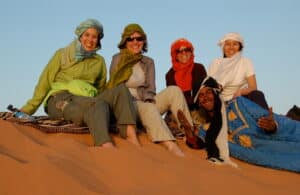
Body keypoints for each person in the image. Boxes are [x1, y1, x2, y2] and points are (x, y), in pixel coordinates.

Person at [20, 19, 140, 148]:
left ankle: (131, 137)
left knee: (120, 89)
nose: (90, 40)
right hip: (61, 98)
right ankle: (106, 146)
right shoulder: (62, 54)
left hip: (88, 99)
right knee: (97, 105)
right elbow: (45, 81)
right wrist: (29, 109)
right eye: (86, 35)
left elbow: (100, 89)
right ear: (80, 36)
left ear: (98, 40)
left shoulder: (99, 61)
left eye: (94, 36)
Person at [107, 23, 194, 157]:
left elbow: (150, 87)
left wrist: (148, 100)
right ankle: (171, 145)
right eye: (131, 39)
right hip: (126, 105)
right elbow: (115, 84)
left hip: (145, 101)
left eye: (139, 38)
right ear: (125, 41)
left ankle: (189, 133)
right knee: (147, 108)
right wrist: (145, 104)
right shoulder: (117, 59)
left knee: (174, 90)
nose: (135, 42)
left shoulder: (148, 62)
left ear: (143, 41)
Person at [195, 77, 300, 172]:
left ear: (217, 93)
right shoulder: (206, 130)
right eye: (201, 95)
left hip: (282, 141)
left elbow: (270, 118)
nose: (205, 97)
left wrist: (272, 126)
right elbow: (199, 144)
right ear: (199, 102)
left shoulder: (239, 104)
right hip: (268, 159)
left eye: (209, 92)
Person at [207, 32, 269, 110]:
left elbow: (253, 87)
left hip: (239, 98)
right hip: (219, 101)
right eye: (228, 44)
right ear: (223, 47)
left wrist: (240, 92)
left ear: (240, 47)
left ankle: (267, 119)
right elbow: (208, 87)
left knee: (257, 94)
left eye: (235, 44)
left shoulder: (246, 62)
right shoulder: (215, 63)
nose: (231, 47)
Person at [165, 38, 207, 137]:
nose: (183, 53)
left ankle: (190, 130)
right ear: (174, 55)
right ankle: (186, 130)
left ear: (191, 52)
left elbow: (202, 92)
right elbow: (172, 98)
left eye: (187, 50)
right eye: (179, 51)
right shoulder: (170, 74)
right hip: (178, 110)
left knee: (201, 123)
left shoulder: (199, 68)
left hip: (196, 109)